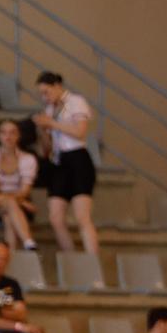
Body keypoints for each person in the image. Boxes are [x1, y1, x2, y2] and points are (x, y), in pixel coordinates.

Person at [34, 70, 100, 259]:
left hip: (78, 158)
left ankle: (92, 262)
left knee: (82, 217)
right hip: (59, 160)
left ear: (57, 86)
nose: (45, 97)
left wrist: (53, 124)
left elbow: (80, 132)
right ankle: (72, 259)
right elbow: (47, 149)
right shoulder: (49, 110)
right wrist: (43, 130)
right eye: (42, 93)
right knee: (56, 217)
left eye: (47, 92)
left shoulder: (76, 102)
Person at [0, 118, 39, 252]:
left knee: (8, 217)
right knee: (10, 205)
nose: (8, 136)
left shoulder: (28, 159)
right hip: (1, 206)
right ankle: (28, 241)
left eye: (12, 133)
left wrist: (13, 199)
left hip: (17, 206)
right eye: (4, 132)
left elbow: (25, 191)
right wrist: (22, 202)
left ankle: (12, 256)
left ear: (18, 136)